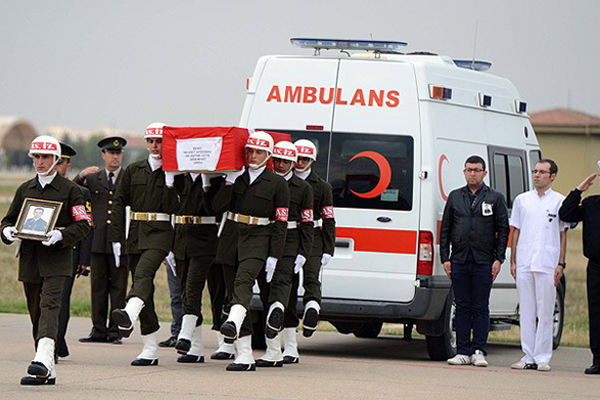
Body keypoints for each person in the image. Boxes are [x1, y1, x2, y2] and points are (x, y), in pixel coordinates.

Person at [1, 136, 91, 385]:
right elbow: (9, 220)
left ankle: (41, 359)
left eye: (46, 157)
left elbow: (83, 224)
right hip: (30, 261)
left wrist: (62, 234)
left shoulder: (71, 190)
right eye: (36, 157)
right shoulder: (25, 189)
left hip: (58, 260)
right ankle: (47, 369)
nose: (40, 162)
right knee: (36, 312)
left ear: (56, 160)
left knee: (50, 307)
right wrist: (6, 232)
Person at [217, 131, 290, 371]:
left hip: (259, 239)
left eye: (258, 152)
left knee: (242, 283)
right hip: (232, 239)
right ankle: (245, 354)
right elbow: (216, 207)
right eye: (250, 150)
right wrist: (228, 182)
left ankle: (239, 330)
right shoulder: (236, 177)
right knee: (235, 292)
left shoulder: (278, 183)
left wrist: (274, 255)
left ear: (268, 155)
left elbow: (280, 223)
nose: (253, 155)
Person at [108, 122, 176, 366]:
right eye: (151, 141)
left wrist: (170, 183)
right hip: (135, 233)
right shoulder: (133, 170)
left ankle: (129, 311)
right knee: (143, 285)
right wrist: (116, 238)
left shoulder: (176, 171)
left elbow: (177, 208)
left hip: (161, 232)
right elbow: (119, 203)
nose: (155, 145)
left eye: (159, 140)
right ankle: (150, 348)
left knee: (143, 274)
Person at [440, 155, 509, 367]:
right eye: (469, 169)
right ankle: (462, 350)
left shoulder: (495, 198)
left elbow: (503, 230)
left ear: (484, 173)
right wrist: (445, 258)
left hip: (483, 261)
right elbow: (446, 229)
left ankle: (478, 350)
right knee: (462, 307)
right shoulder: (455, 196)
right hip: (460, 260)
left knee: (480, 307)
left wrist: (498, 259)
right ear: (464, 171)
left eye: (477, 170)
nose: (472, 173)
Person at [255, 141, 314, 368]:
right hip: (266, 239)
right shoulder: (265, 182)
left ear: (293, 163)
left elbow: (307, 223)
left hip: (290, 242)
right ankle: (279, 348)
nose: (280, 165)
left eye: (286, 161)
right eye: (277, 160)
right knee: (266, 292)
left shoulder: (304, 188)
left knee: (282, 294)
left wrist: (304, 253)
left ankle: (281, 349)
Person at [510, 159, 567, 371]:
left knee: (545, 310)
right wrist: (514, 260)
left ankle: (543, 356)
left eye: (542, 172)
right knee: (526, 309)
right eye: (535, 171)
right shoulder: (522, 200)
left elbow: (563, 234)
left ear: (552, 176)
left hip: (547, 262)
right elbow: (515, 230)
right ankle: (528, 355)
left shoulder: (559, 201)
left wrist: (561, 263)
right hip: (525, 260)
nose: (537, 175)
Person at [75, 136, 129, 344]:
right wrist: (80, 176)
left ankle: (115, 331)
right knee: (98, 288)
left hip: (120, 243)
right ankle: (98, 330)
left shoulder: (128, 177)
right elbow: (72, 191)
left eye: (118, 153)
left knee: (118, 288)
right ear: (103, 155)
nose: (115, 157)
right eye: (111, 153)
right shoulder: (94, 179)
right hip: (97, 241)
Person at [167, 169, 222, 363]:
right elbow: (171, 209)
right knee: (184, 291)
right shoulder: (179, 179)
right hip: (182, 239)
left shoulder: (215, 179)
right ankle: (196, 348)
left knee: (193, 288)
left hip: (205, 240)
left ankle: (185, 335)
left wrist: (208, 185)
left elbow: (216, 208)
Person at [287, 139, 335, 347]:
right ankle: (289, 323)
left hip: (313, 236)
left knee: (311, 276)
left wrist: (328, 248)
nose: (300, 162)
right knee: (289, 280)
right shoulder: (283, 182)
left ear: (312, 160)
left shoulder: (323, 187)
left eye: (305, 159)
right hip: (290, 235)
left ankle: (312, 309)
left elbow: (329, 218)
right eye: (297, 158)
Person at [55, 142, 94, 360]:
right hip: (39, 255)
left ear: (67, 164)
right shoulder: (36, 187)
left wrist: (84, 260)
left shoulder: (79, 192)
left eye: (61, 161)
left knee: (60, 301)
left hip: (68, 252)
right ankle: (55, 343)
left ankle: (54, 344)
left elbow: (87, 227)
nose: (56, 165)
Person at [559, 171, 600, 374]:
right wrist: (578, 191)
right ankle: (599, 359)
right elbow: (565, 214)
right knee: (596, 313)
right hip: (596, 265)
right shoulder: (592, 204)